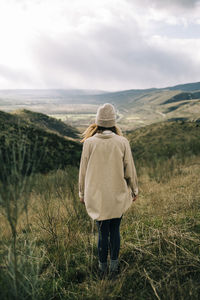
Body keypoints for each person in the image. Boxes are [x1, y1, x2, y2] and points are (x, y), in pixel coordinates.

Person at [79, 103, 138, 277]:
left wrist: (81, 193)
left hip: (97, 197)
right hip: (117, 196)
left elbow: (82, 171)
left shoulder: (89, 143)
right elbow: (130, 170)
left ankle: (101, 269)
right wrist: (135, 190)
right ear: (113, 122)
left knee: (102, 233)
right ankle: (114, 268)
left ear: (98, 122)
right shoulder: (122, 142)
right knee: (115, 231)